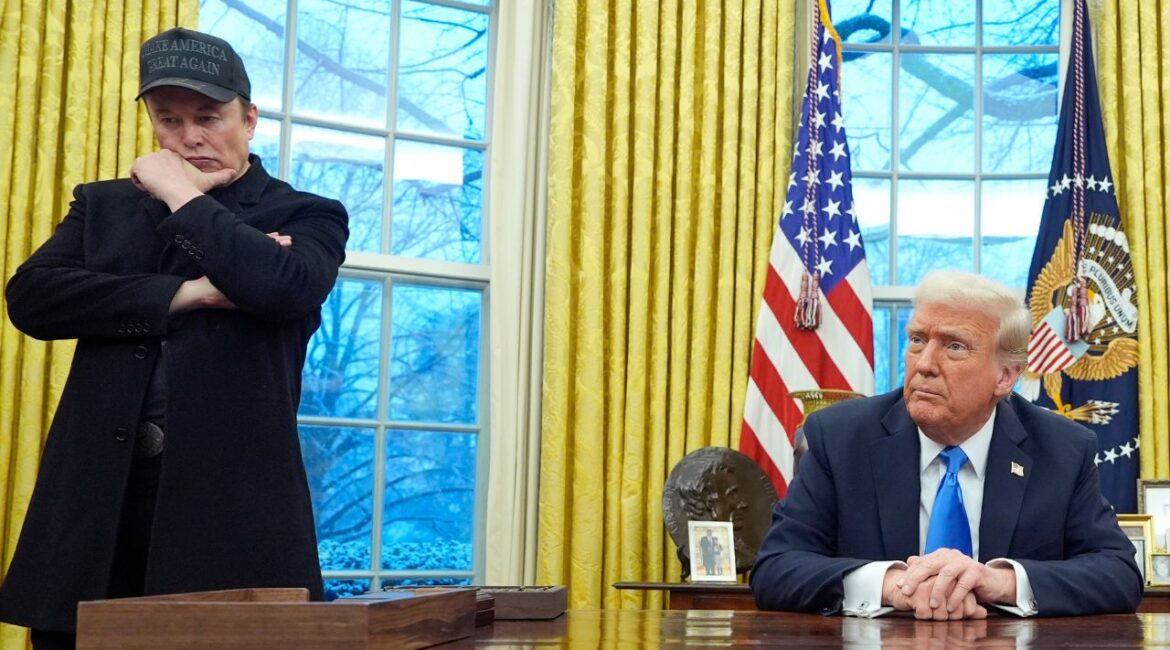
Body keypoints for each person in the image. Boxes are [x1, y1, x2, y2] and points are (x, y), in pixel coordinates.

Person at [0, 27, 348, 648]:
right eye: (169, 120)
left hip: (230, 514)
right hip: (96, 507)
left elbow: (283, 287)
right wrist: (190, 294)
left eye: (209, 118)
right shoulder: (102, 206)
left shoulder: (307, 214)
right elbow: (33, 298)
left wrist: (178, 191)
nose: (190, 138)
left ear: (250, 118)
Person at [750, 270, 1142, 619]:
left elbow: (1118, 573)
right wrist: (892, 586)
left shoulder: (1062, 449)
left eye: (954, 346)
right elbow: (776, 568)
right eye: (917, 340)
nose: (925, 363)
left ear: (1005, 378)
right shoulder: (840, 437)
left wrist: (998, 581)